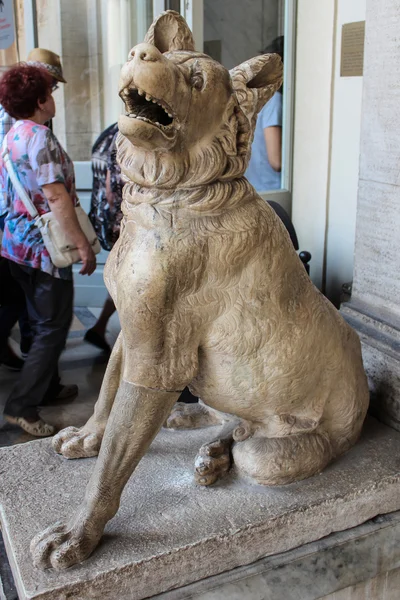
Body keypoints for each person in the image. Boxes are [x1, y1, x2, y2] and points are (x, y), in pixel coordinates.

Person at [0, 64, 96, 437]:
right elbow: (56, 198)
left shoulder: (12, 137)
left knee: (41, 322)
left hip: (16, 245)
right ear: (40, 101)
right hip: (45, 249)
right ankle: (21, 407)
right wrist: (82, 245)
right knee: (52, 328)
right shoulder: (40, 138)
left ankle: (48, 388)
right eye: (50, 93)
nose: (53, 99)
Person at [0, 49, 67, 366]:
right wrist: (80, 242)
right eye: (50, 86)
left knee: (23, 300)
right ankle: (34, 366)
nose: (52, 92)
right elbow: (49, 190)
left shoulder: (24, 127)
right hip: (20, 222)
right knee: (30, 307)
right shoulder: (29, 129)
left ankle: (37, 363)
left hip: (14, 225)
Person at [84, 123, 123, 353]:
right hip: (121, 222)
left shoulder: (107, 132)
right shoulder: (125, 137)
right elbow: (113, 188)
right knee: (128, 282)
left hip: (103, 219)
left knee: (120, 278)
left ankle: (99, 328)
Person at [245, 36, 284, 192]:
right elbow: (276, 161)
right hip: (272, 189)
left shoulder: (254, 97)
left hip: (254, 187)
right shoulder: (274, 101)